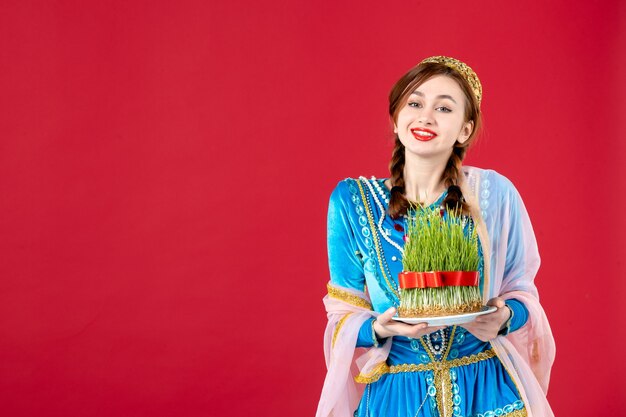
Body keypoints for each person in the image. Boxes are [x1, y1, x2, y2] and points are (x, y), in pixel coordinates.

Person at [316, 56, 555, 417]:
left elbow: (523, 292)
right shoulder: (352, 202)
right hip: (398, 396)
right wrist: (377, 328)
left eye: (444, 108)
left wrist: (504, 317)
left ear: (465, 130)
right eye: (415, 103)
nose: (426, 116)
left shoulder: (494, 195)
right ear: (396, 118)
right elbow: (342, 313)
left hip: (487, 390)